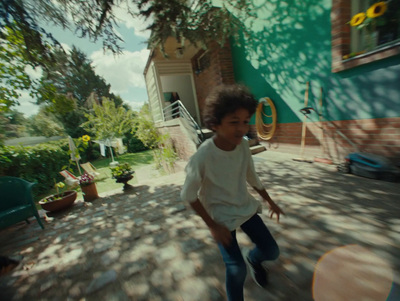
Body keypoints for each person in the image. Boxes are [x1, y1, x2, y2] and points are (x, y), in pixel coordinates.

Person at [181, 84, 284, 301]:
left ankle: (254, 260)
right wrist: (213, 226)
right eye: (234, 122)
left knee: (272, 251)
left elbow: (251, 176)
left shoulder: (243, 146)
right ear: (216, 124)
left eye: (246, 121)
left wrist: (270, 201)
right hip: (220, 217)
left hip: (243, 207)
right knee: (236, 269)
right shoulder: (203, 156)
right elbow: (188, 194)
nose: (241, 128)